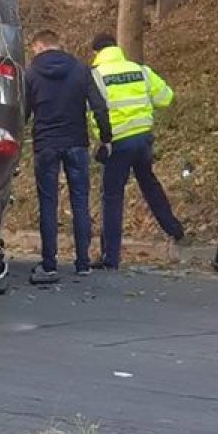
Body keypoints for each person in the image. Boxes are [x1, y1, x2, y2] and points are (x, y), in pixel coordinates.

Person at [90, 32, 184, 269]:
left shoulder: (96, 76)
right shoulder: (140, 70)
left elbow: (92, 112)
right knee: (149, 183)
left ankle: (110, 257)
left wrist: (101, 139)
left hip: (118, 142)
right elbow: (166, 97)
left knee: (112, 197)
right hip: (143, 139)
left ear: (97, 53)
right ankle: (174, 228)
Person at [25, 29, 112, 284]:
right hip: (76, 143)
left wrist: (18, 138)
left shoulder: (31, 73)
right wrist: (106, 138)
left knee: (48, 204)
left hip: (46, 145)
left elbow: (24, 111)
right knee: (80, 202)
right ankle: (82, 262)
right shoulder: (80, 70)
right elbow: (99, 105)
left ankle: (49, 264)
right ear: (58, 44)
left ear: (39, 46)